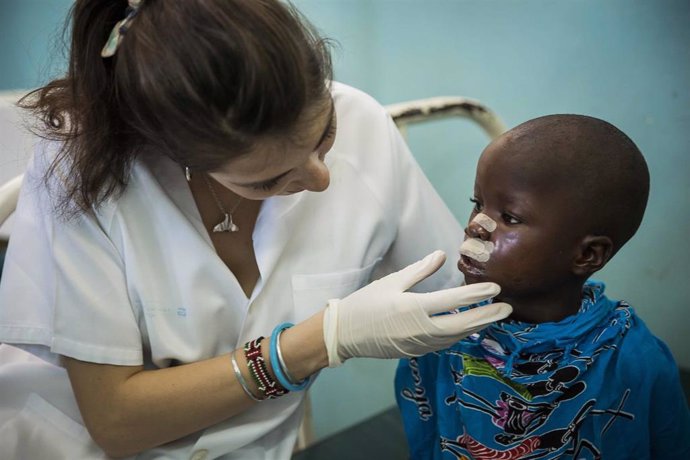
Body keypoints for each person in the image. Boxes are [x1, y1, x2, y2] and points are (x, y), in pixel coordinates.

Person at [0, 1, 513, 459]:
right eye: (268, 180)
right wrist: (320, 341)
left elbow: (464, 301)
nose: (321, 179)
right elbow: (116, 422)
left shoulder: (364, 122)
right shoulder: (79, 174)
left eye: (325, 135)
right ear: (179, 156)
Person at [395, 114, 690, 459]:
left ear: (587, 254)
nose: (477, 225)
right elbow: (426, 433)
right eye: (477, 204)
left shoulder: (631, 362)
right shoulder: (444, 333)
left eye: (510, 218)